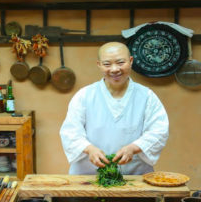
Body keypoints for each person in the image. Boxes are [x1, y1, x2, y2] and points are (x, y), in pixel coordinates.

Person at [60, 42, 169, 175]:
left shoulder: (147, 97)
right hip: (88, 175)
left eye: (120, 62)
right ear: (99, 65)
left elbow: (158, 131)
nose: (114, 69)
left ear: (130, 61)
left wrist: (133, 148)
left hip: (134, 174)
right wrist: (89, 149)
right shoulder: (84, 96)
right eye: (107, 64)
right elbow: (70, 132)